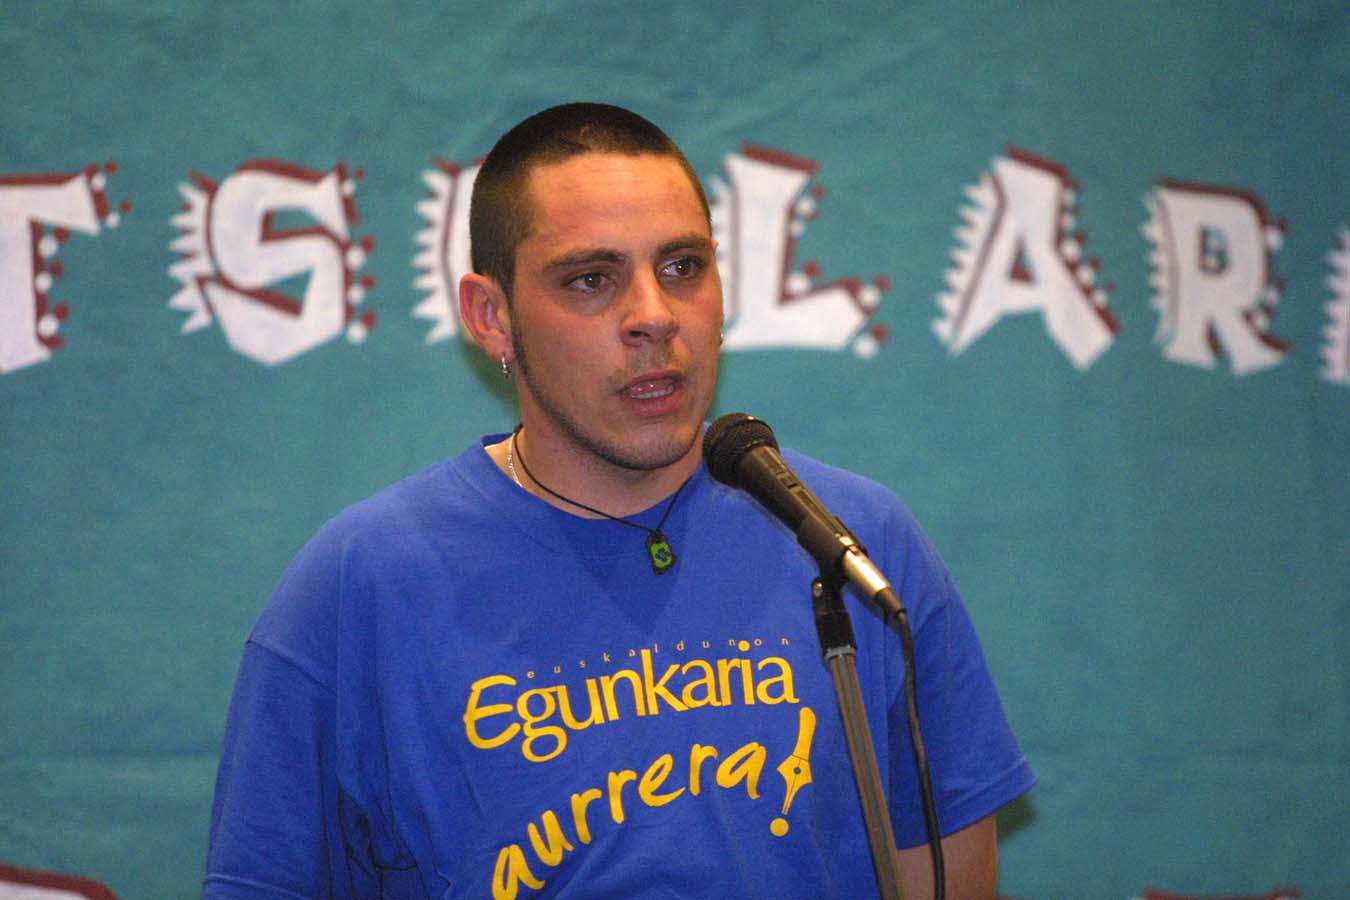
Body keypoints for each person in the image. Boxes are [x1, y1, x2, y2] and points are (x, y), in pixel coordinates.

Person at [202, 102, 1034, 900]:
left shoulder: (849, 542)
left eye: (683, 268)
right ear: (491, 317)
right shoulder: (362, 584)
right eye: (592, 279)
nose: (654, 317)